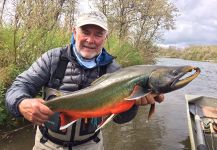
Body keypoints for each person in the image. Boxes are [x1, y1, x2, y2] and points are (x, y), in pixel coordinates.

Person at [5, 10, 164, 150]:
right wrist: (21, 104)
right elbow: (18, 87)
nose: (91, 40)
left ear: (105, 37)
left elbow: (120, 120)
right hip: (46, 144)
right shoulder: (53, 58)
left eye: (98, 34)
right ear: (74, 32)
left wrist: (133, 104)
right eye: (85, 32)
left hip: (90, 145)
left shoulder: (114, 70)